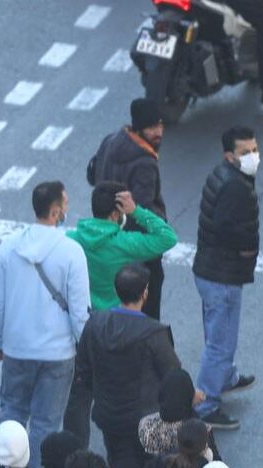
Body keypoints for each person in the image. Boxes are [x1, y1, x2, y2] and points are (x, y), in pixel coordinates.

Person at [78, 265, 180, 468]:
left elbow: (84, 369)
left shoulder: (95, 324)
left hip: (109, 416)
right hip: (146, 420)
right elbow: (173, 375)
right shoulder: (153, 333)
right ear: (145, 293)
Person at [0, 181, 91, 450]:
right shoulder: (72, 252)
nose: (68, 209)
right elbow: (80, 310)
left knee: (11, 416)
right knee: (45, 425)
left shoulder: (8, 247)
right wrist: (85, 348)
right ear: (56, 211)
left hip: (16, 348)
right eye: (66, 205)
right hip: (57, 353)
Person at [191, 127, 263, 430]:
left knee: (218, 336)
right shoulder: (235, 186)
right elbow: (227, 229)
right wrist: (247, 248)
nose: (252, 156)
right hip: (222, 275)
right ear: (229, 156)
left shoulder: (224, 175)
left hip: (212, 270)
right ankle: (206, 404)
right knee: (220, 343)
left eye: (254, 149)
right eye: (245, 152)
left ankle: (226, 377)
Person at [86, 99, 170, 318]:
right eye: (152, 127)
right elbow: (140, 209)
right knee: (147, 315)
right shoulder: (145, 163)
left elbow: (92, 175)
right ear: (140, 127)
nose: (159, 132)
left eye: (161, 125)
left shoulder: (110, 141)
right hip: (137, 249)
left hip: (106, 233)